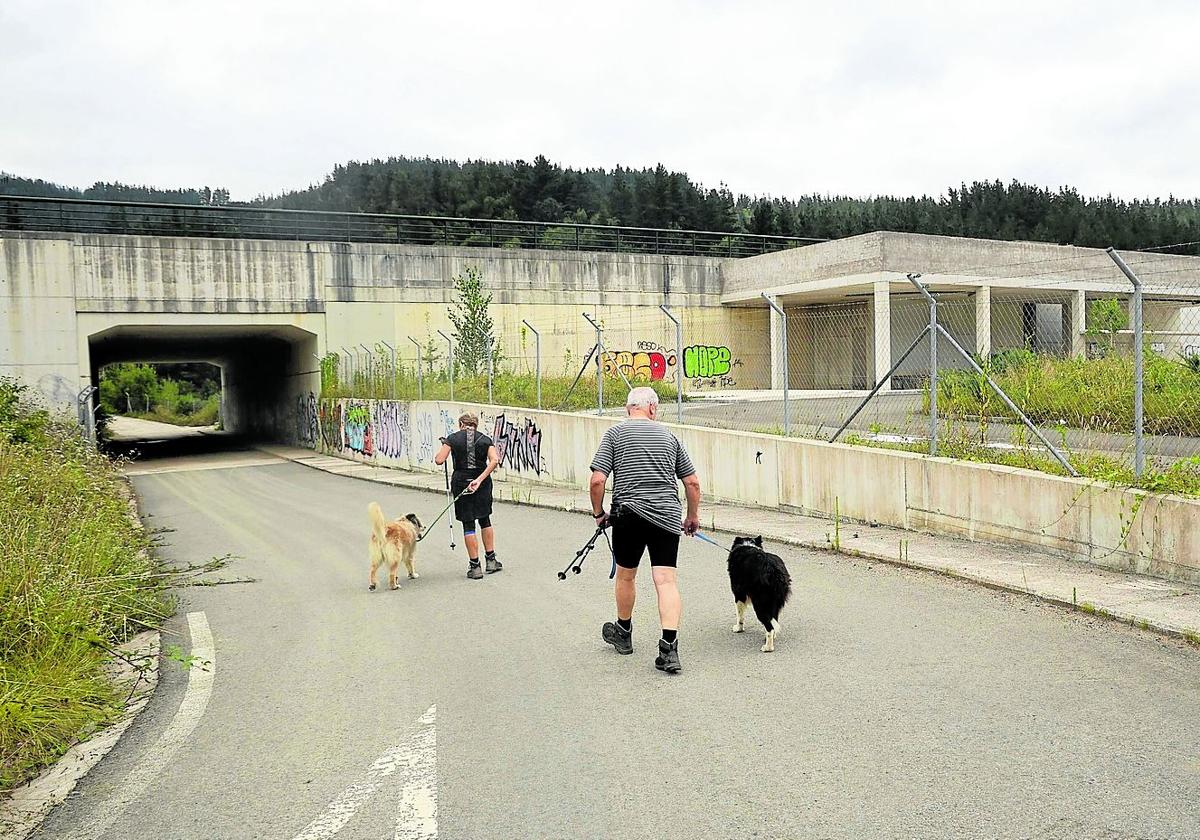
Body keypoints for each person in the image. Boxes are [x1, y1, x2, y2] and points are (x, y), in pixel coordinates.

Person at [589, 386, 701, 673]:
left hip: (628, 516)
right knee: (665, 581)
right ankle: (669, 649)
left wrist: (600, 514)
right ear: (652, 408)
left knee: (626, 576)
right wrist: (691, 516)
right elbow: (692, 483)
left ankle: (623, 634)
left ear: (629, 409)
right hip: (665, 517)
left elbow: (597, 481)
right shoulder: (669, 436)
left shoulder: (614, 435)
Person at [434, 412, 502, 579]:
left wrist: (446, 444)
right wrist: (479, 480)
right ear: (476, 425)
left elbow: (439, 460)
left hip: (461, 482)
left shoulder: (453, 438)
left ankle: (475, 566)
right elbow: (494, 460)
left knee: (468, 524)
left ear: (460, 424)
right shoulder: (485, 439)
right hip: (482, 483)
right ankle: (491, 560)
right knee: (485, 519)